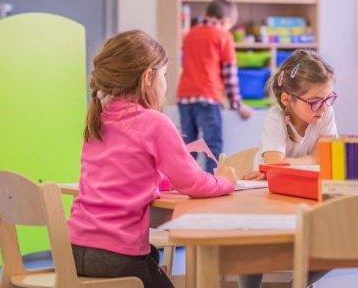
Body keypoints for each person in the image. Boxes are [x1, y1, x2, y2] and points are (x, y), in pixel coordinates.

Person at [68, 30, 237, 288]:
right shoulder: (154, 122)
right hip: (116, 254)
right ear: (149, 76)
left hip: (73, 248)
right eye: (164, 75)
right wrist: (225, 181)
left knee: (151, 257)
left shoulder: (98, 119)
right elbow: (193, 182)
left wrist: (158, 182)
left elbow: (125, 173)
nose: (166, 82)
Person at [239, 49, 337, 288]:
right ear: (287, 99)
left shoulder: (325, 114)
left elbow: (330, 157)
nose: (323, 108)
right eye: (315, 101)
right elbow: (274, 167)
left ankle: (298, 285)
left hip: (308, 197)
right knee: (252, 248)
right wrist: (313, 158)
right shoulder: (275, 118)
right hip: (269, 200)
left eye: (329, 98)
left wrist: (291, 164)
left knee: (338, 242)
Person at [177, 0, 253, 173]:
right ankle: (213, 182)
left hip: (184, 96)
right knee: (212, 146)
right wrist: (237, 105)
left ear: (205, 14)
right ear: (226, 22)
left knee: (188, 147)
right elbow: (230, 76)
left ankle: (186, 181)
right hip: (208, 98)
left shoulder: (190, 34)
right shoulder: (224, 36)